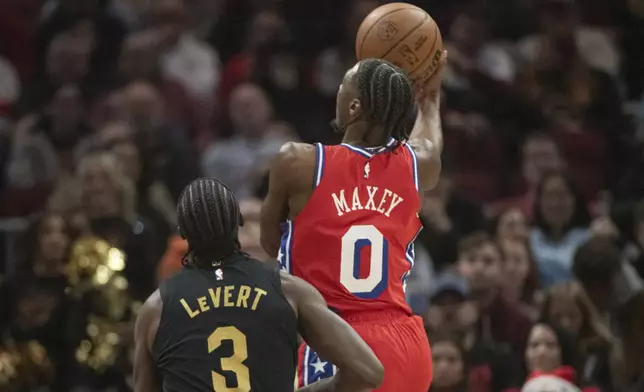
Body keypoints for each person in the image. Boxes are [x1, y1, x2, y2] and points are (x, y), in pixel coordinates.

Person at [260, 51, 448, 392]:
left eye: (344, 84)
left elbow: (271, 243)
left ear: (354, 107)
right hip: (405, 343)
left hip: (337, 341)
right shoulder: (418, 163)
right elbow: (430, 143)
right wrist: (430, 100)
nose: (338, 90)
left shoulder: (298, 162)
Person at [133, 178, 384, 392]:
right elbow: (367, 372)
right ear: (238, 223)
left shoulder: (156, 308)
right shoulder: (288, 290)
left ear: (183, 233)